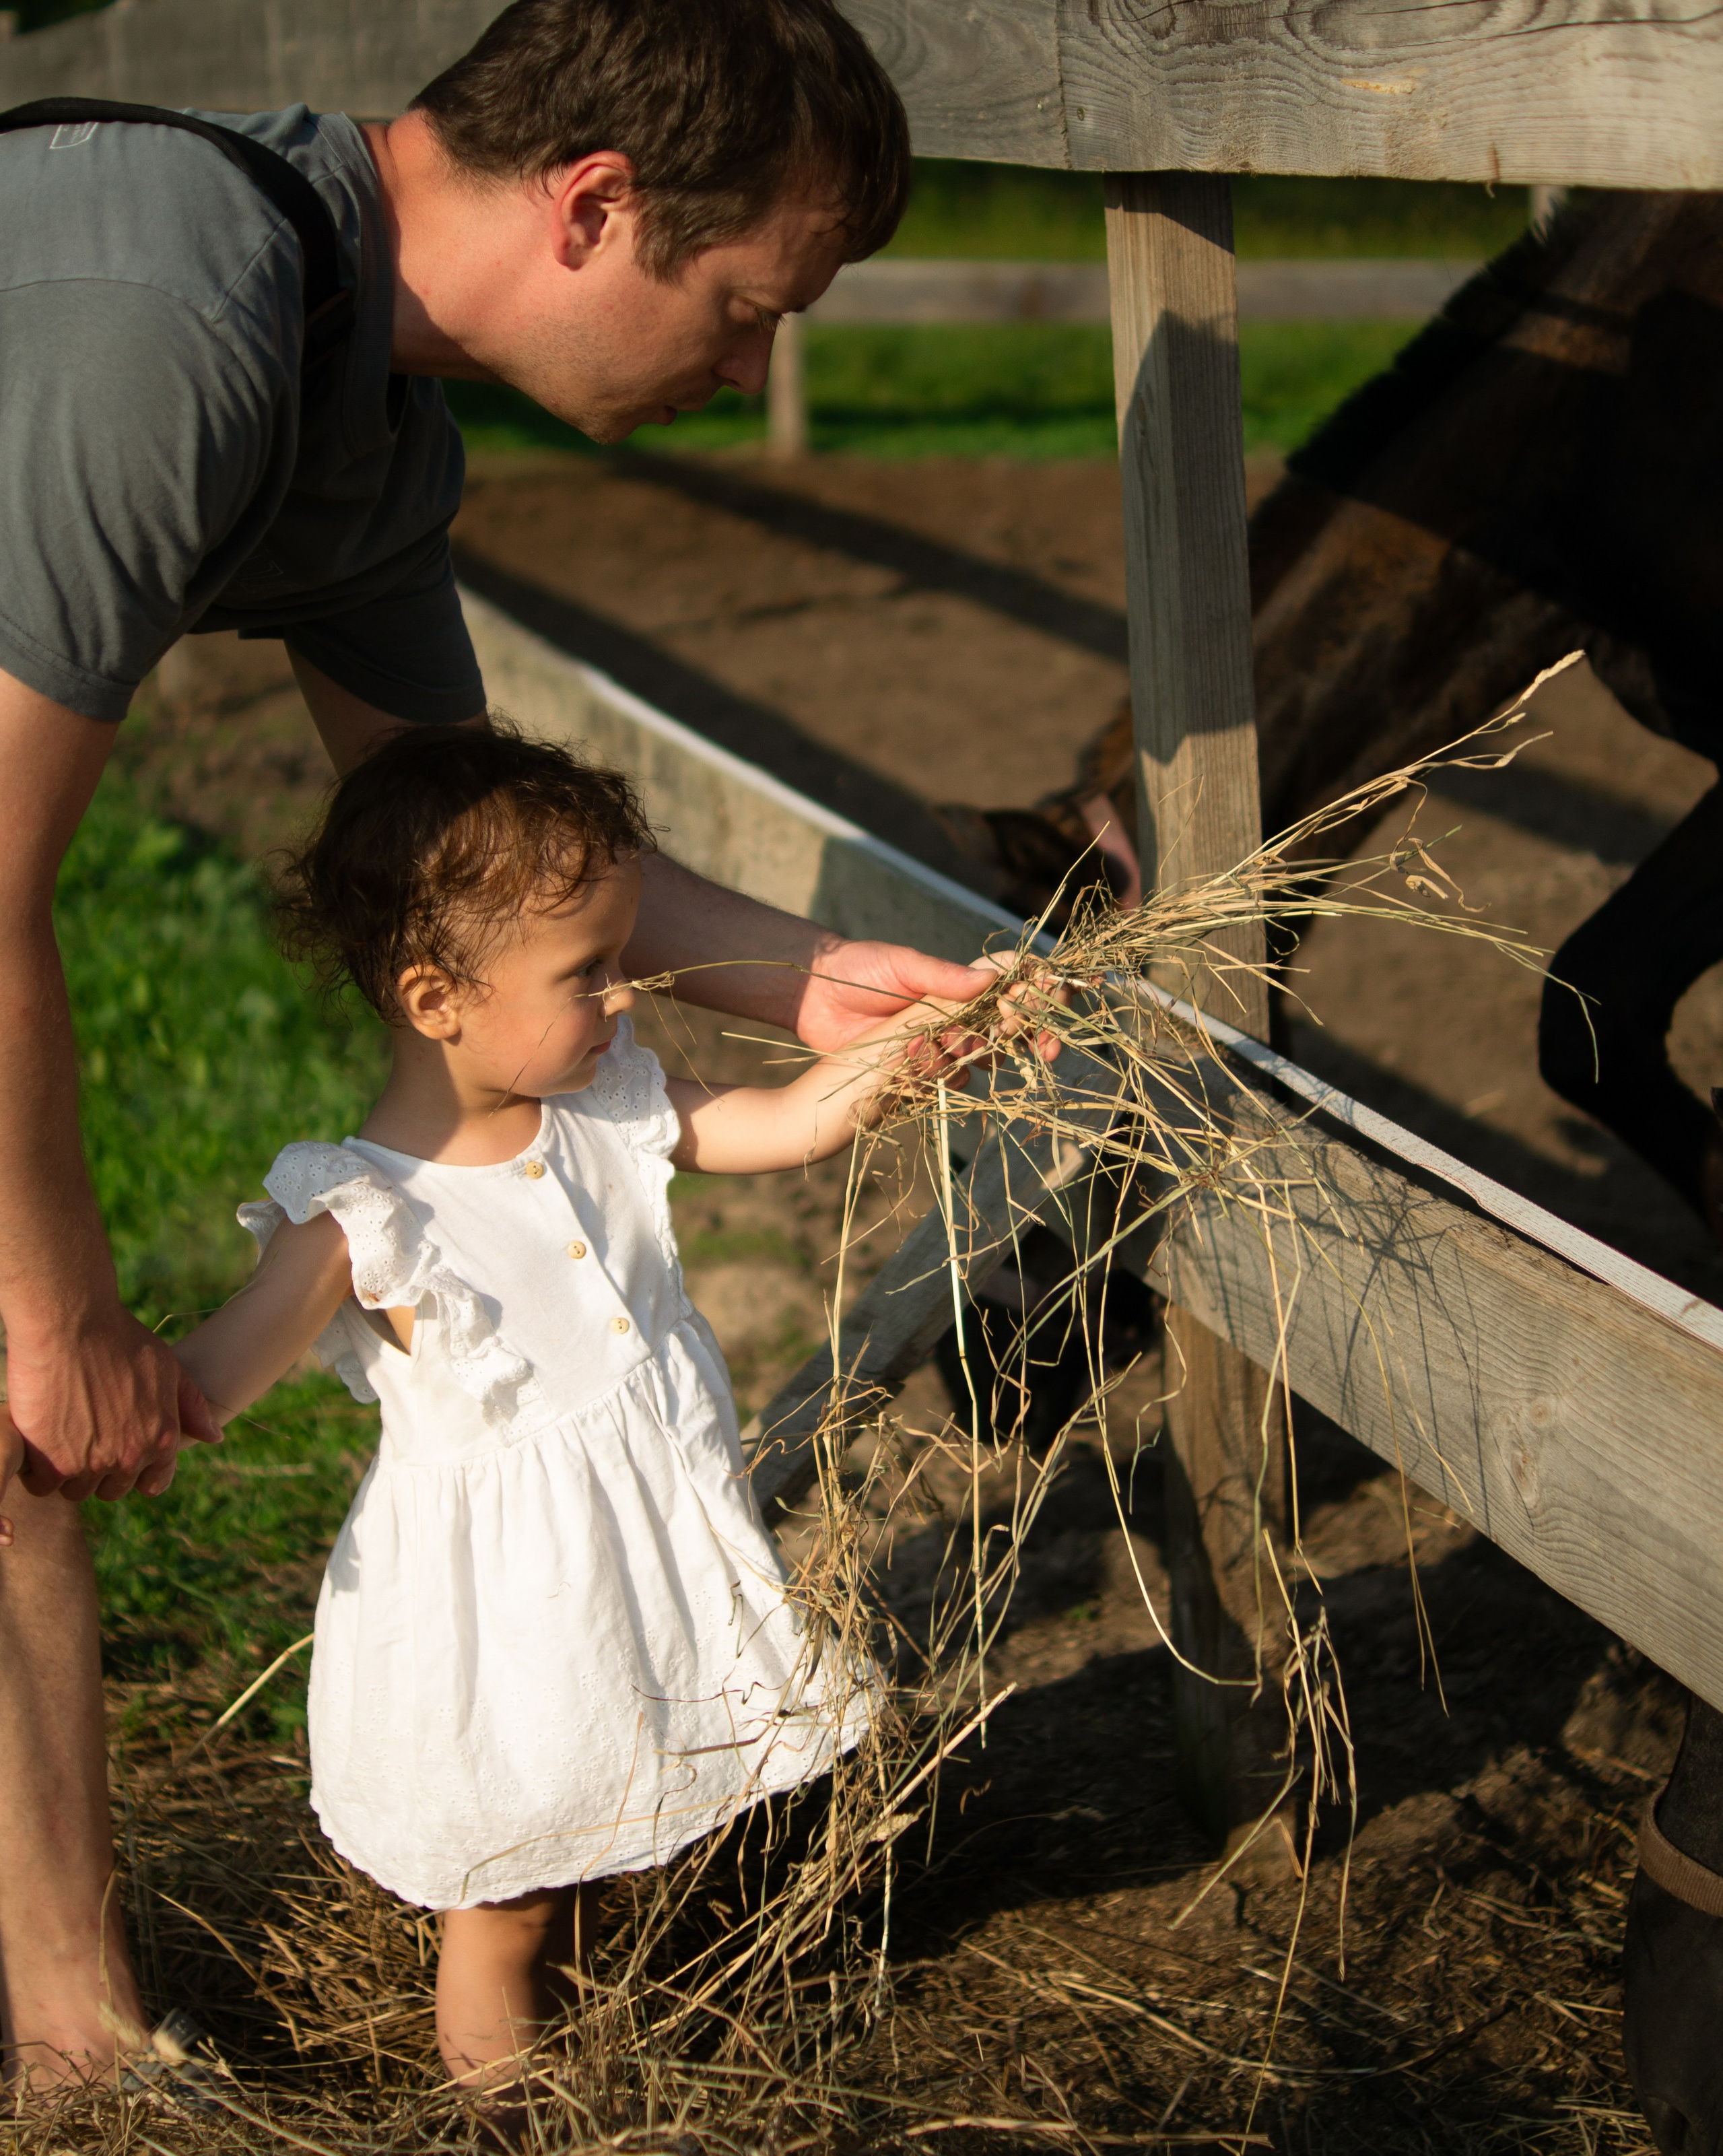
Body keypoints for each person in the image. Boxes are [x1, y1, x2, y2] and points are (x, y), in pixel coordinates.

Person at [0, 0, 992, 2088]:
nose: (750, 372)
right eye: (744, 310)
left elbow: (471, 836)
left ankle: (80, 2046)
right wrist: (54, 1299)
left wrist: (805, 975)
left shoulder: (351, 419)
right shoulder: (181, 320)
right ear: (595, 203)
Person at [170, 724, 935, 2089]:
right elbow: (220, 1370)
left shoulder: (598, 1108)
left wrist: (924, 1038)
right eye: (587, 972)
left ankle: (581, 2066)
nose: (627, 997)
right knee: (513, 1896)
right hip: (501, 1618)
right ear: (435, 996)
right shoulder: (365, 1211)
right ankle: (513, 2116)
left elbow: (790, 1119)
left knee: (597, 1860)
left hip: (626, 1577)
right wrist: (107, 1401)